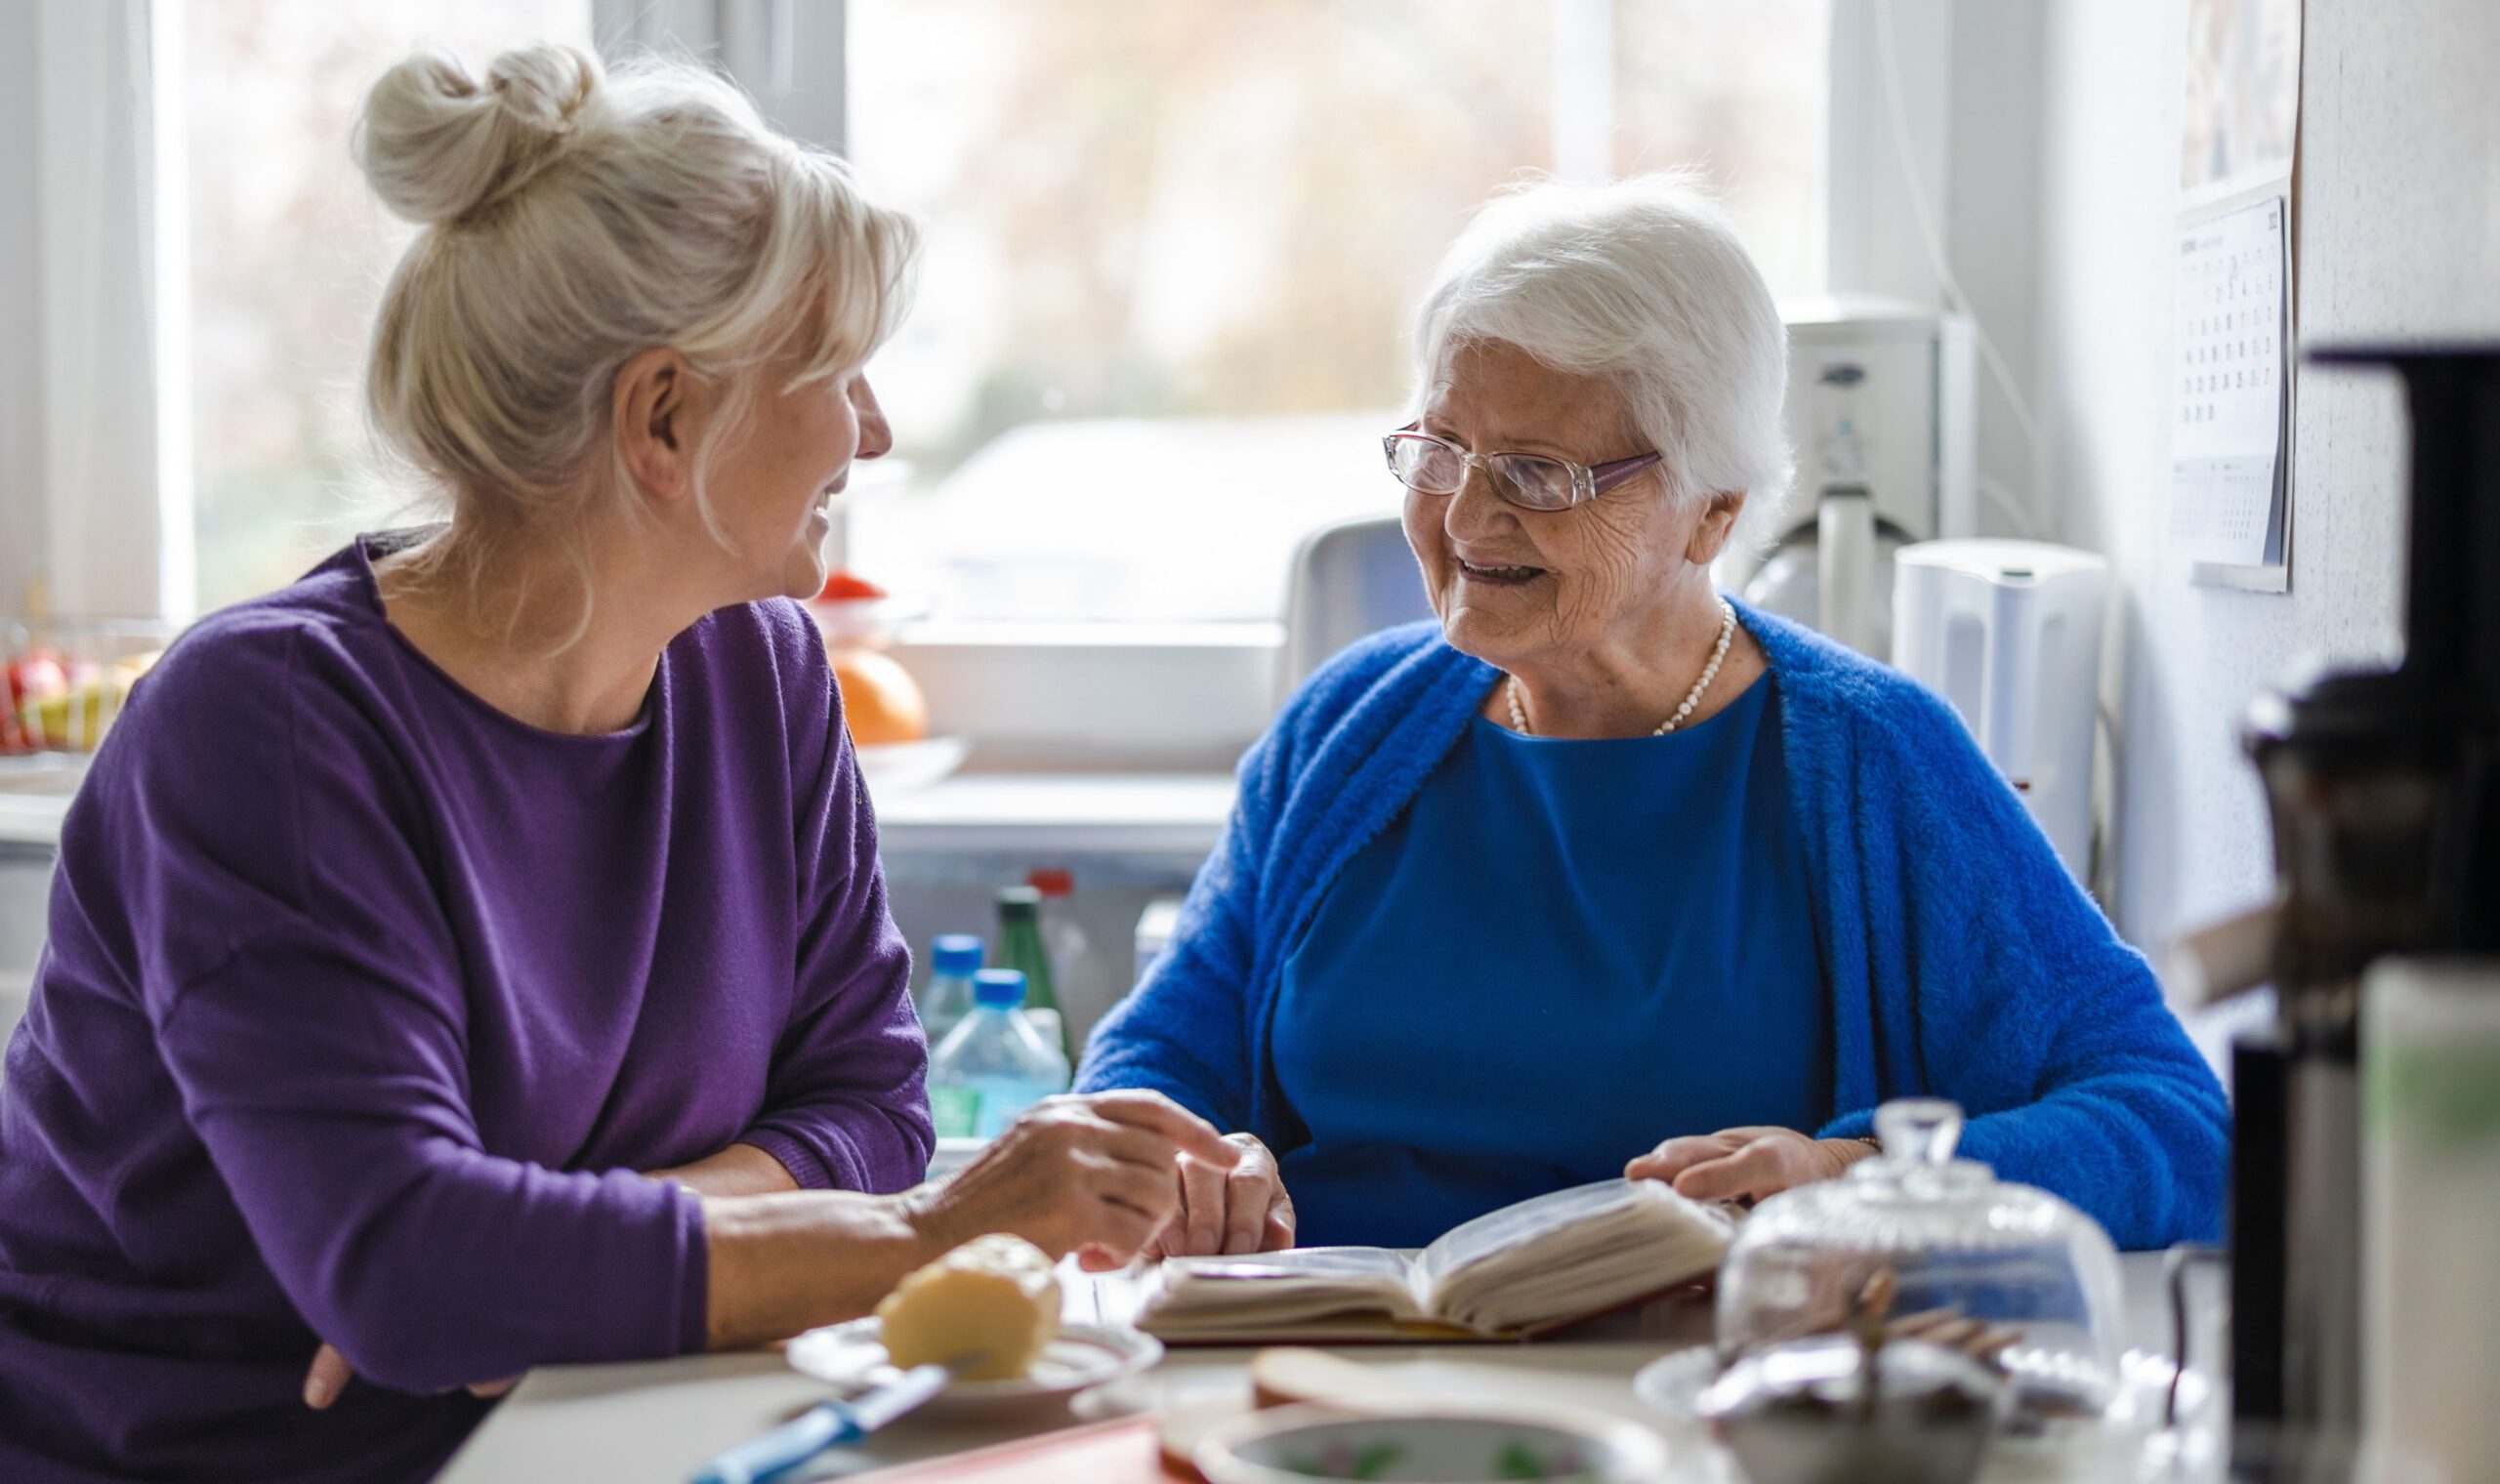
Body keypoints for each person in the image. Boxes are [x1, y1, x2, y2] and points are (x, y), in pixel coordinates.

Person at [0, 45, 1231, 1484]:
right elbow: (409, 1272)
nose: (876, 431)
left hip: (596, 1416)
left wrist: (539, 1263)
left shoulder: (761, 672)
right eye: (836, 372)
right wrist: (933, 1236)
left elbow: (871, 1106)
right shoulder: (265, 727)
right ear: (662, 420)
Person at [1079, 174, 2229, 1257]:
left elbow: (2177, 1122)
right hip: (1323, 1379)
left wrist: (1858, 1179)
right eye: (1439, 451)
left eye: (1536, 472)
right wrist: (1192, 1159)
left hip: (1696, 1407)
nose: (1465, 516)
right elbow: (1156, 1055)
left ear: (1708, 512)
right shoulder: (1348, 724)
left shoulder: (1873, 759)